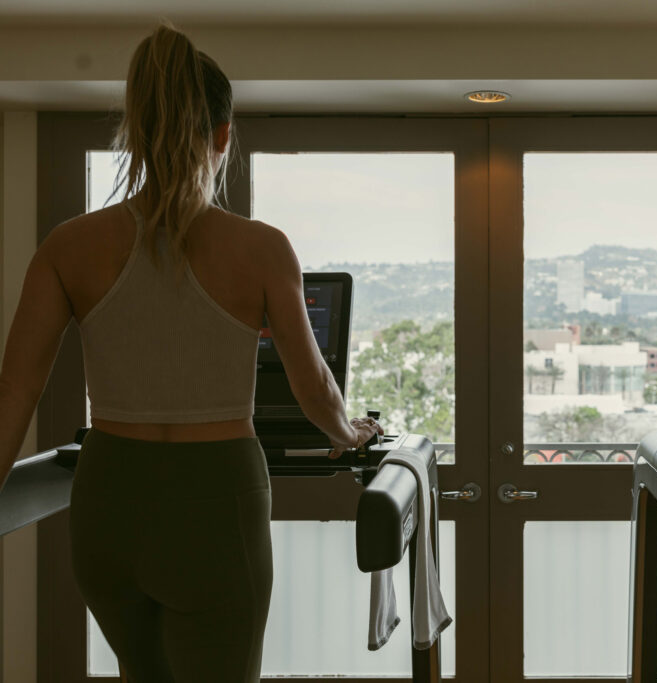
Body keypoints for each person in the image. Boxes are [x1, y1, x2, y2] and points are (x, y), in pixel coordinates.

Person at [0, 24, 381, 682]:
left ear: (138, 132)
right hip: (216, 499)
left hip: (109, 501)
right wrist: (348, 431)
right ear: (225, 134)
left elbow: (14, 392)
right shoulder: (261, 249)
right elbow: (312, 383)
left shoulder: (69, 247)